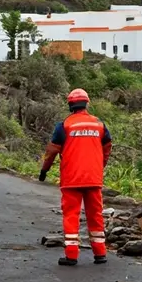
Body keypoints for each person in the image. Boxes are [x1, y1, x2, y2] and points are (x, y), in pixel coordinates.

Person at [39, 89, 113, 266]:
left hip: (72, 179)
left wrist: (44, 170)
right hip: (93, 178)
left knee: (71, 215)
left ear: (70, 105)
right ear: (87, 103)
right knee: (95, 215)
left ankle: (71, 254)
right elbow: (107, 148)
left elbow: (51, 152)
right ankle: (100, 253)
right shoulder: (99, 124)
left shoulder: (64, 125)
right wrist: (98, 167)